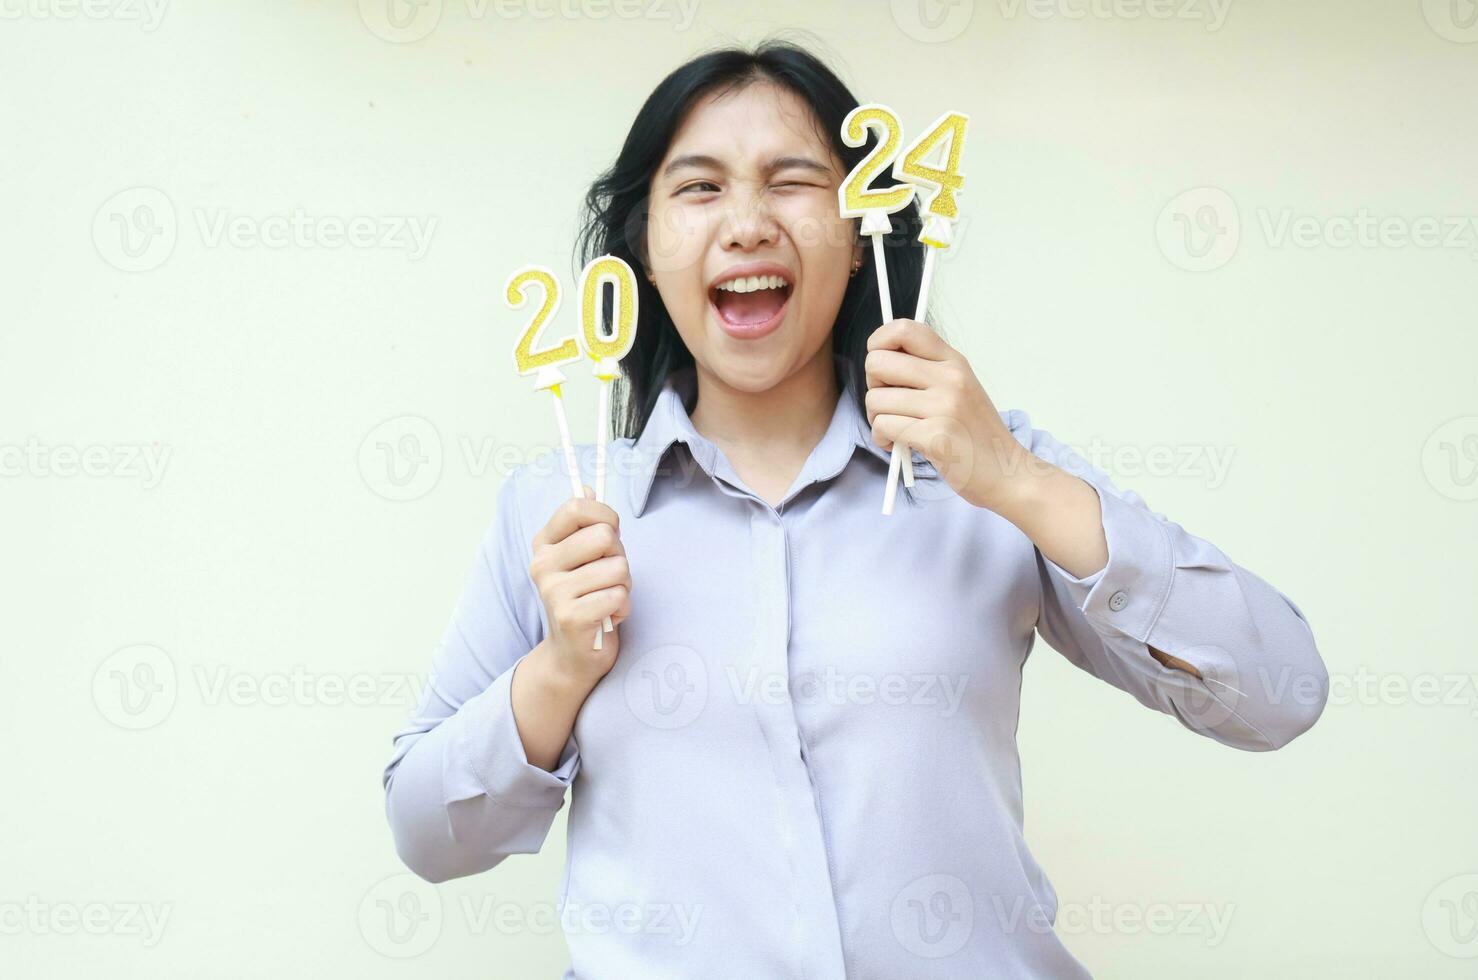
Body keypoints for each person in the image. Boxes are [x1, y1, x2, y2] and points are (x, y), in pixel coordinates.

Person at [382, 41, 1329, 979]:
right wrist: (555, 672)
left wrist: (1016, 481)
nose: (747, 224)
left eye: (793, 182)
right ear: (642, 248)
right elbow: (428, 835)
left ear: (862, 224)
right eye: (700, 187)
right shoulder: (562, 510)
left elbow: (1278, 694)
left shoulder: (990, 474)